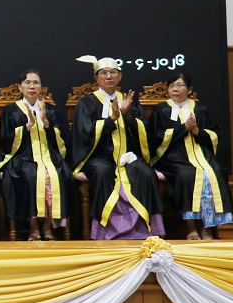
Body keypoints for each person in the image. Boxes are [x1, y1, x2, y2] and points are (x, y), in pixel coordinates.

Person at [69, 56, 164, 240]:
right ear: (96, 78)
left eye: (113, 72)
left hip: (128, 156)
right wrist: (112, 119)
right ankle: (108, 232)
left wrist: (126, 115)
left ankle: (145, 231)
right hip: (98, 157)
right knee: (102, 173)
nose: (109, 76)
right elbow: (84, 133)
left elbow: (143, 131)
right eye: (103, 73)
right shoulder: (86, 103)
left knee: (146, 173)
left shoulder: (129, 100)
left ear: (120, 76)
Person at [150, 72, 233, 240]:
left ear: (189, 90)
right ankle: (191, 228)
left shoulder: (201, 109)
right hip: (173, 156)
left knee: (213, 173)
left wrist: (196, 131)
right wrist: (183, 128)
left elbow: (215, 134)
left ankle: (207, 228)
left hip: (201, 154)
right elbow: (155, 136)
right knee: (187, 175)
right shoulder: (161, 109)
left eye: (179, 85)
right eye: (171, 86)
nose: (175, 89)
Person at [0, 70, 72, 241]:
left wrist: (46, 124)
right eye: (27, 82)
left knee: (57, 175)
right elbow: (5, 140)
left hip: (49, 156)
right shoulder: (11, 110)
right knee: (30, 176)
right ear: (20, 87)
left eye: (36, 83)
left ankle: (47, 226)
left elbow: (63, 140)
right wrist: (27, 127)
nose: (31, 86)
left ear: (41, 87)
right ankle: (33, 227)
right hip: (22, 157)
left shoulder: (50, 110)